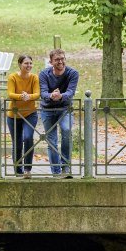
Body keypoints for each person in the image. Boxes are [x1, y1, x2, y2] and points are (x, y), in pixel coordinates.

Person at [39, 49, 79, 177]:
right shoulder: (44, 74)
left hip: (65, 109)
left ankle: (65, 167)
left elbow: (71, 92)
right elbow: (43, 92)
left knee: (66, 131)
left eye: (62, 58)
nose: (60, 61)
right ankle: (56, 172)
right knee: (52, 141)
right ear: (51, 62)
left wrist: (60, 96)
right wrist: (51, 95)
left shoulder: (72, 73)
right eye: (57, 59)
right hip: (48, 110)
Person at [6, 55, 40, 178]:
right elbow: (10, 94)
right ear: (20, 64)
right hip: (14, 114)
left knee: (28, 137)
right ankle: (18, 169)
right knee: (17, 143)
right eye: (26, 63)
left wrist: (29, 96)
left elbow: (37, 94)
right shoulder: (13, 77)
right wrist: (21, 96)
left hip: (30, 113)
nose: (28, 66)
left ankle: (27, 169)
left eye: (30, 63)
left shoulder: (34, 77)